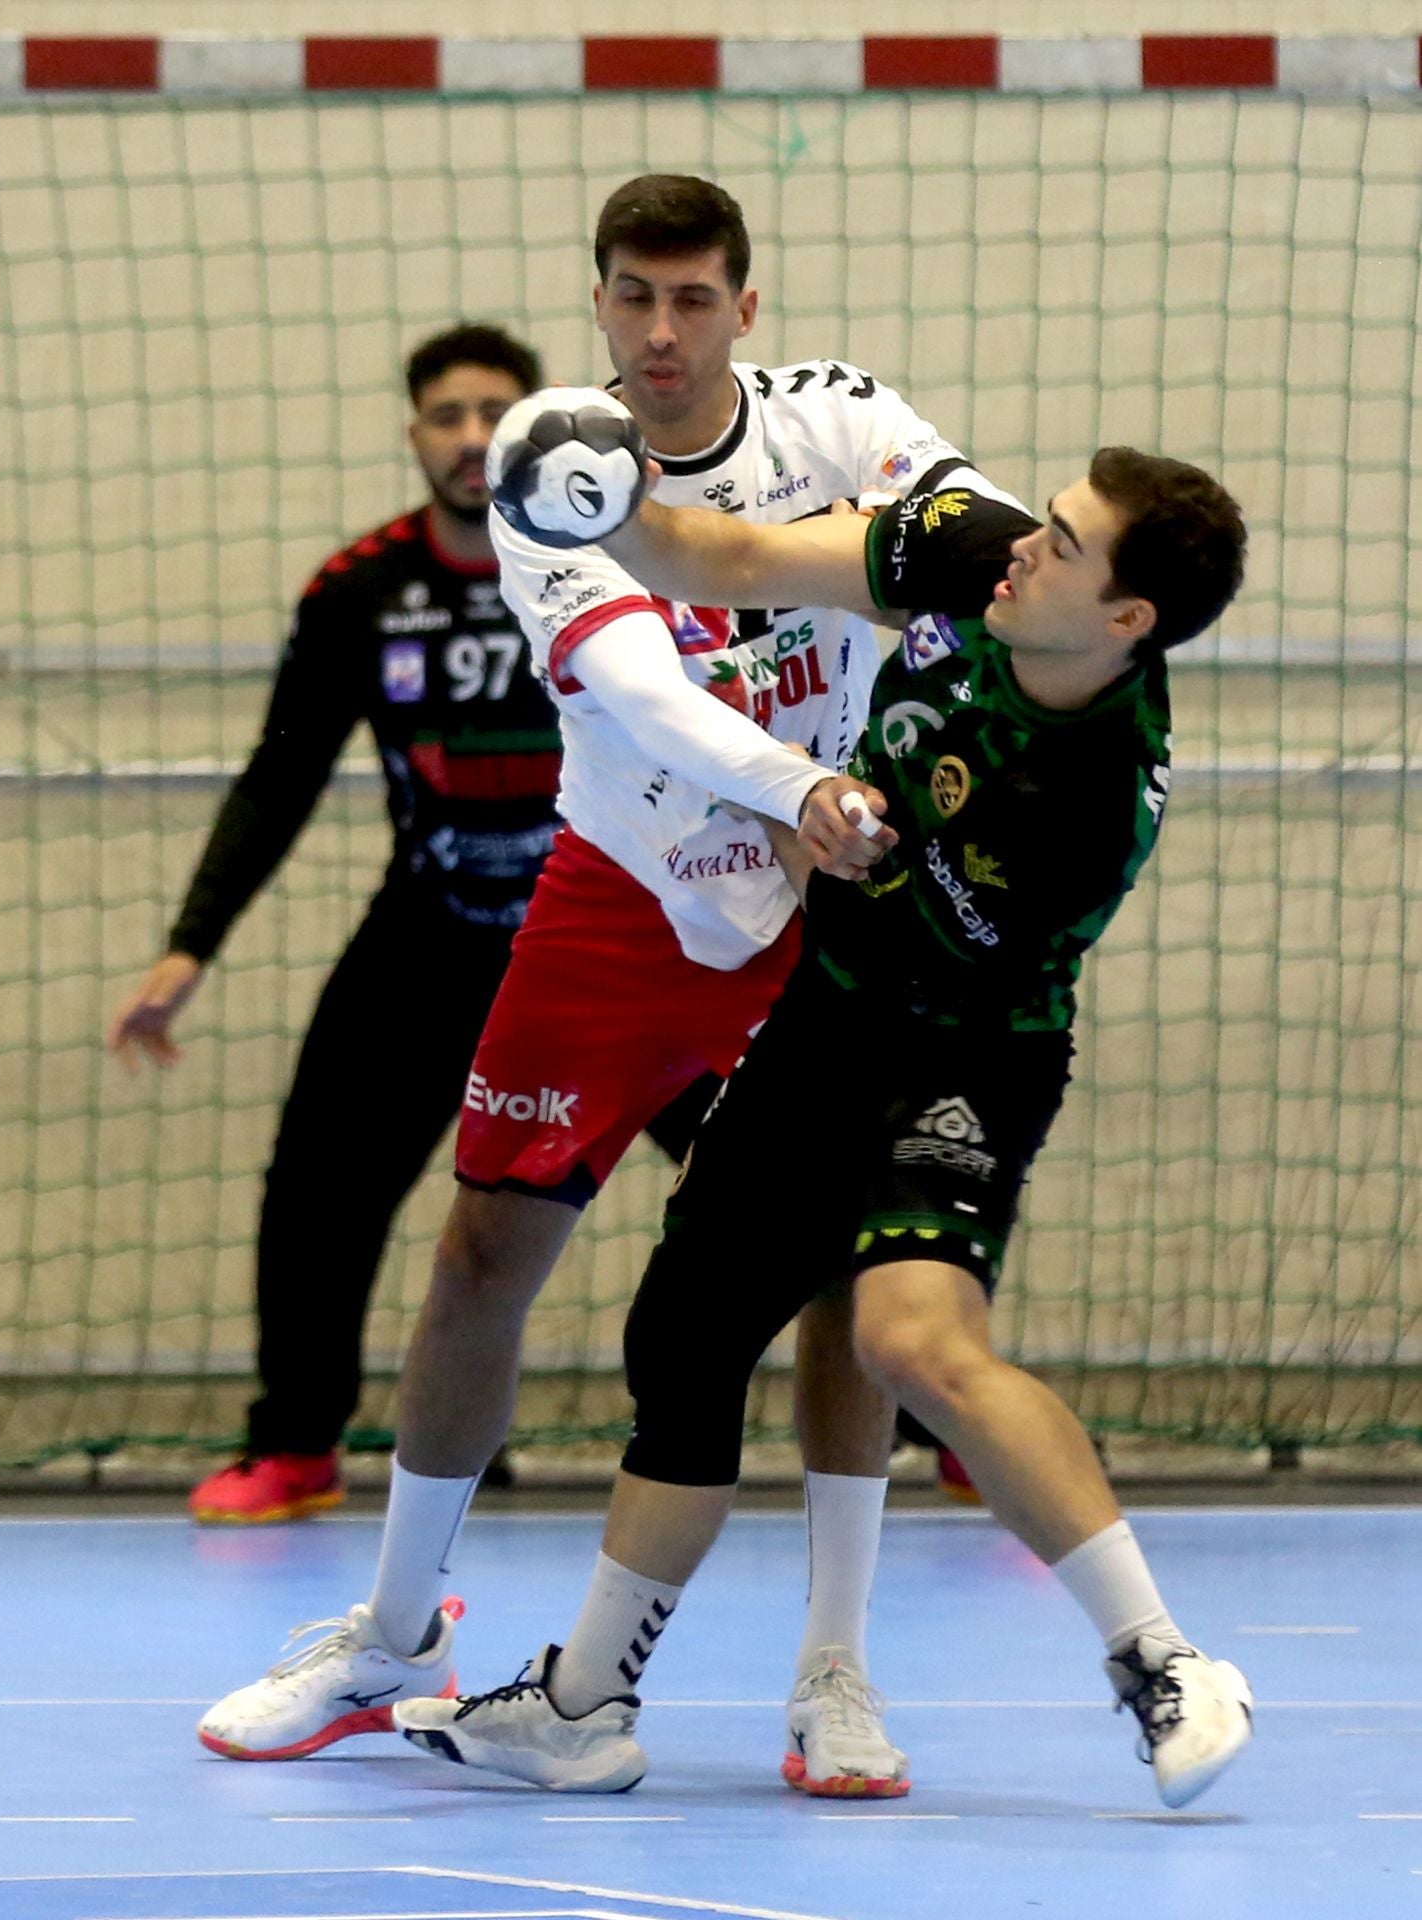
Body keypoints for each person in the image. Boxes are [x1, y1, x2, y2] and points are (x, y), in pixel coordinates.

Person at [196, 172, 968, 1794]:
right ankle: (398, 1631)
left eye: (694, 299)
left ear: (743, 309)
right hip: (629, 889)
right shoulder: (556, 459)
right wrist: (810, 757)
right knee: (483, 1247)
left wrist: (884, 571)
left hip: (817, 919)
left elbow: (963, 529)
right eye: (633, 296)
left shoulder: (836, 414)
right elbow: (641, 690)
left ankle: (834, 1669)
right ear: (598, 302)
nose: (662, 328)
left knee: (840, 1274)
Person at [395, 445, 1257, 1811]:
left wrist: (811, 822)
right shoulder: (977, 547)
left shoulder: (1080, 806)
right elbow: (727, 560)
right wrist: (598, 506)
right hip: (829, 1018)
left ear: (1125, 623)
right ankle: (581, 1706)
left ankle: (1162, 1660)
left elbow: (899, 915)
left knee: (904, 1336)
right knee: (679, 1339)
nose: (1029, 544)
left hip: (969, 1049)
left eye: (1070, 549)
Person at [106, 322, 715, 1525]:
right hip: (429, 935)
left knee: (778, 1166)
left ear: (535, 430)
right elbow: (277, 779)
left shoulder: (615, 569)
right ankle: (295, 1445)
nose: (473, 435)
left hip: (613, 931)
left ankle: (925, 1410)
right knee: (317, 1188)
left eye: (497, 411)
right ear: (415, 435)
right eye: (447, 414)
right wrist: (188, 948)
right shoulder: (358, 592)